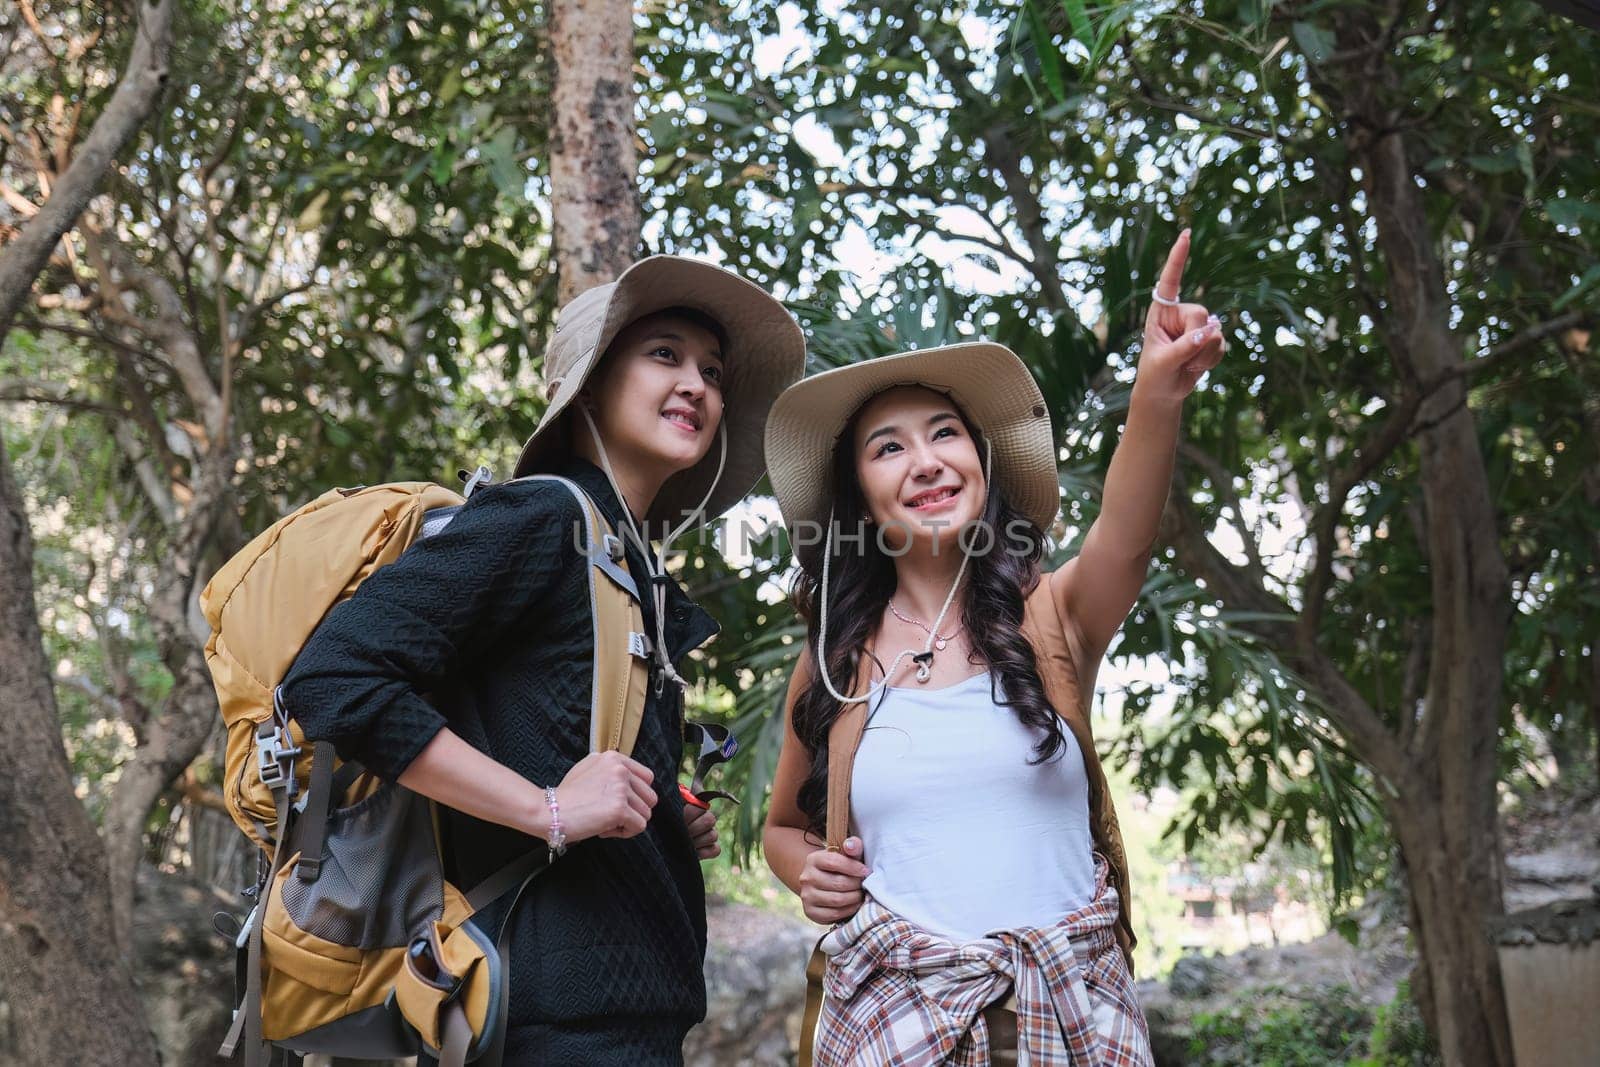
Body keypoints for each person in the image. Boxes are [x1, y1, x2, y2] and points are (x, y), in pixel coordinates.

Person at [280, 255, 804, 1064]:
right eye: (664, 354)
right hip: (548, 1023)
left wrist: (664, 810)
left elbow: (549, 738)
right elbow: (332, 677)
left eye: (711, 370)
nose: (697, 383)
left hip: (633, 1022)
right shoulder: (542, 516)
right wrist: (546, 808)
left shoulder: (627, 565)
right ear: (591, 386)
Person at [762, 231, 1224, 1065]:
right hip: (899, 1027)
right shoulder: (837, 652)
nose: (927, 459)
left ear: (980, 460)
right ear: (861, 499)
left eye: (945, 433)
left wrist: (1157, 389)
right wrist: (809, 873)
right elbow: (782, 830)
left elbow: (1126, 533)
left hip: (1077, 1020)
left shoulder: (1052, 618)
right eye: (889, 446)